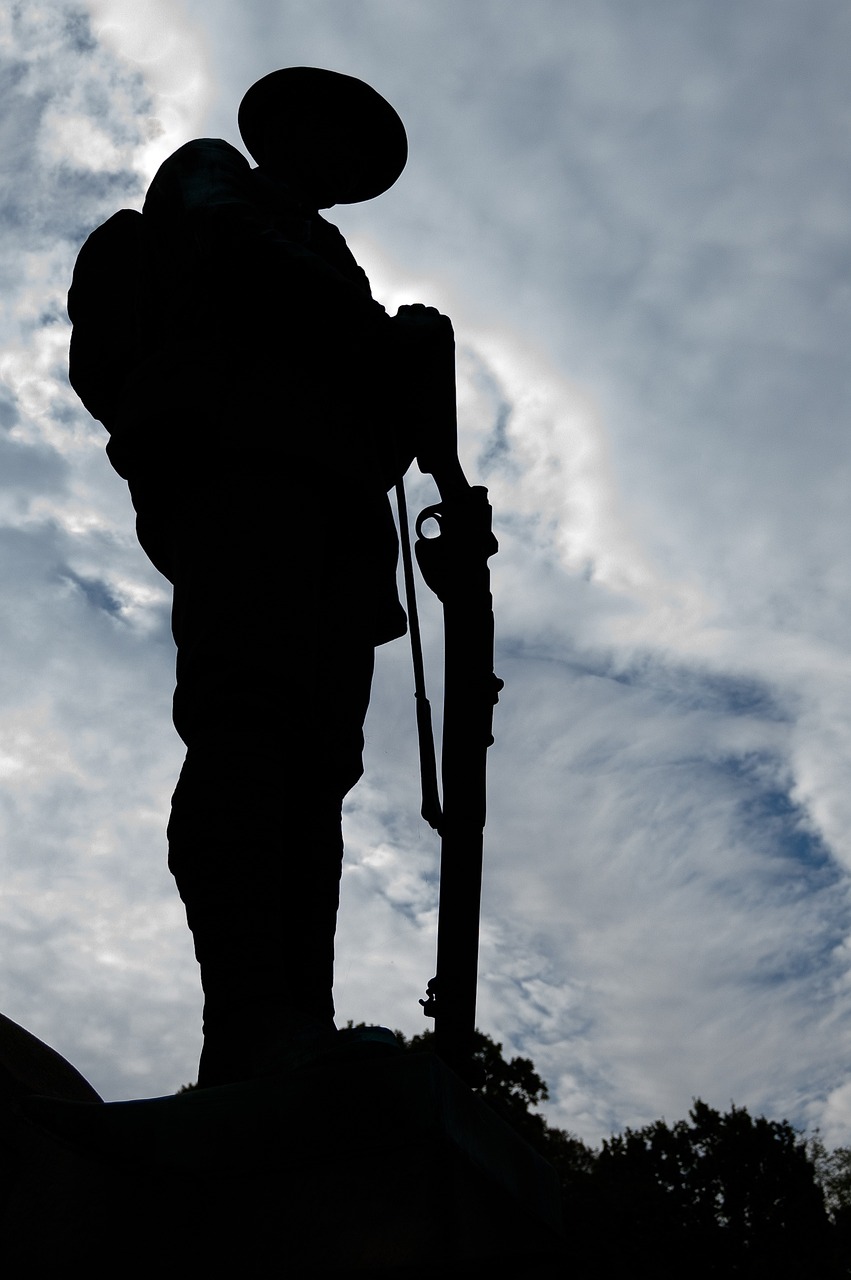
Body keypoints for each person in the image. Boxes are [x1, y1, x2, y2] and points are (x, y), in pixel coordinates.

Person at [68, 68, 452, 1086]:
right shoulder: (212, 175)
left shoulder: (332, 256)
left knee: (318, 765)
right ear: (286, 128)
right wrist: (384, 341)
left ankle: (299, 1024)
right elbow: (239, 261)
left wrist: (413, 377)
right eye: (336, 137)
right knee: (248, 723)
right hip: (240, 472)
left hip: (336, 508)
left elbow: (378, 422)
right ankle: (246, 1023)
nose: (344, 164)